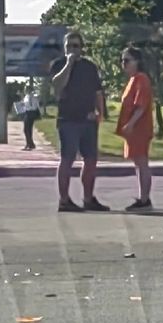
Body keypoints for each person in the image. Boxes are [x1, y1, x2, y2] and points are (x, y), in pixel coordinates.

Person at [50, 31, 108, 213]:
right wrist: (69, 63)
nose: (72, 49)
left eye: (76, 46)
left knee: (90, 160)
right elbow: (57, 87)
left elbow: (98, 91)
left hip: (88, 120)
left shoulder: (90, 67)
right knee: (67, 159)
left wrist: (101, 112)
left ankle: (88, 198)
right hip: (68, 120)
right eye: (69, 46)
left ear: (82, 48)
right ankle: (64, 200)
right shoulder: (58, 65)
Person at [116, 47, 155, 211]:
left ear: (137, 62)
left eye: (127, 60)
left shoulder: (141, 79)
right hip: (134, 129)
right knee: (138, 163)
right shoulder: (133, 79)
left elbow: (141, 105)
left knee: (142, 162)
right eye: (122, 60)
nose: (123, 64)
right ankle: (143, 197)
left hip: (139, 128)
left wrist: (131, 124)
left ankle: (145, 199)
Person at [18, 84, 41, 151]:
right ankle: (30, 144)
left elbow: (36, 104)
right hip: (27, 112)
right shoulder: (26, 96)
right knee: (27, 129)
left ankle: (29, 144)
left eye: (26, 89)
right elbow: (25, 104)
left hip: (31, 112)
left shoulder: (33, 96)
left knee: (27, 129)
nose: (25, 90)